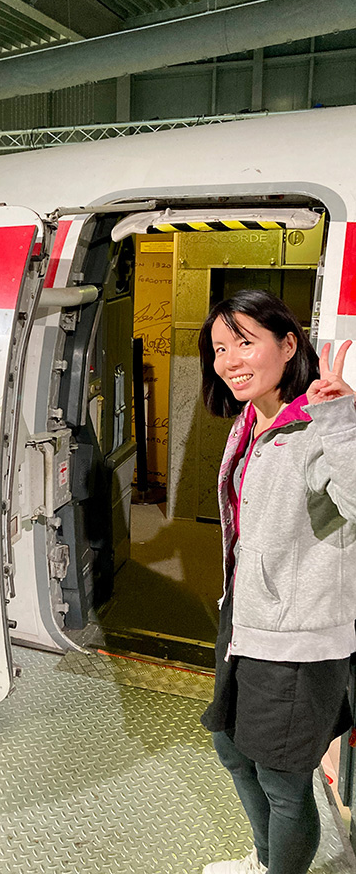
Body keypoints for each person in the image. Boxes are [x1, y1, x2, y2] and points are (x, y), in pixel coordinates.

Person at [197, 289, 356, 874]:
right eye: (219, 348)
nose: (230, 360)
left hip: (297, 634)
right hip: (245, 613)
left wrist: (341, 418)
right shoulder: (250, 420)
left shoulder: (320, 425)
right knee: (232, 750)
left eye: (245, 342)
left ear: (288, 345)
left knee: (283, 780)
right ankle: (267, 862)